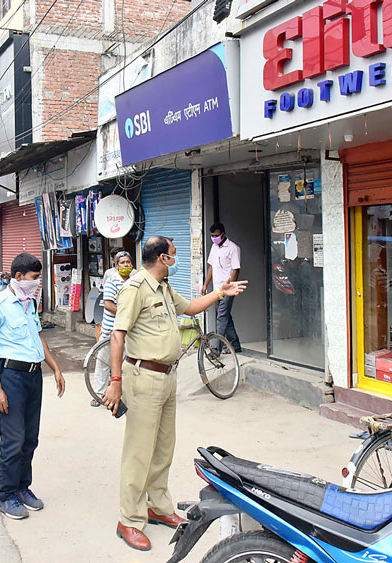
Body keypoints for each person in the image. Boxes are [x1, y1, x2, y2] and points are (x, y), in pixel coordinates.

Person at [104, 236, 246, 551]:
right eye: (174, 253)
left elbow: (191, 307)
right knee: (139, 451)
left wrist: (220, 291)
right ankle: (129, 520)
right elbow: (117, 336)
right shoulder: (135, 289)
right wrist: (115, 381)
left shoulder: (164, 288)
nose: (177, 258)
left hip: (168, 377)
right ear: (163, 259)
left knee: (163, 448)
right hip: (143, 377)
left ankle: (158, 506)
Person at [0, 252, 66, 520]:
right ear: (18, 277)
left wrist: (55, 366)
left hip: (33, 376)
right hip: (12, 378)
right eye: (35, 277)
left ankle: (22, 488)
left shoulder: (29, 303)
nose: (38, 282)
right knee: (13, 440)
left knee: (30, 438)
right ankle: (5, 494)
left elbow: (38, 336)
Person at [90, 251, 133, 407]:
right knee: (103, 362)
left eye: (128, 262)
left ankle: (124, 393)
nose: (126, 265)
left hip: (129, 330)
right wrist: (124, 314)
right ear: (117, 265)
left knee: (126, 364)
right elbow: (108, 304)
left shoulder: (134, 280)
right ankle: (98, 394)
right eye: (123, 263)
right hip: (111, 330)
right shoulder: (112, 281)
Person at [201, 223, 242, 354]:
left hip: (228, 289)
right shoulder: (214, 247)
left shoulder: (233, 248)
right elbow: (211, 267)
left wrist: (231, 287)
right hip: (216, 289)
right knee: (225, 317)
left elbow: (236, 270)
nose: (214, 238)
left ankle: (215, 349)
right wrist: (205, 284)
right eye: (212, 236)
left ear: (223, 234)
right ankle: (235, 345)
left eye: (216, 235)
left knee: (221, 317)